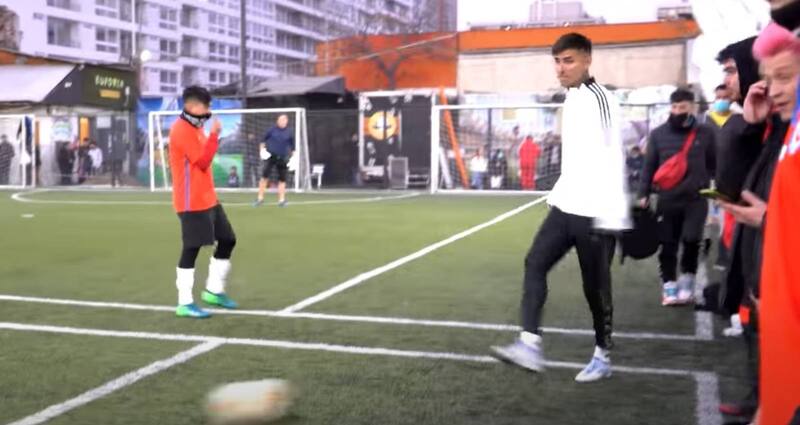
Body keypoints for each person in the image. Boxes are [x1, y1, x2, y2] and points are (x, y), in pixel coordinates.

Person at [491, 33, 629, 383]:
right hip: (566, 204)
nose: (561, 68)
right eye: (557, 61)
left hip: (595, 211)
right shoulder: (571, 98)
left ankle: (602, 355)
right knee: (534, 262)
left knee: (595, 288)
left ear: (587, 60)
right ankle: (529, 344)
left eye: (568, 60)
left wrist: (614, 217)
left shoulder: (602, 99)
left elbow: (614, 156)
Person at [743, 19, 800, 425]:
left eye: (784, 77)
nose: (774, 90)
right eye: (768, 80)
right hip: (782, 336)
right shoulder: (791, 131)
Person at [713, 36, 766, 421]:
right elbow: (729, 186)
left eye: (732, 71)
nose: (727, 81)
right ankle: (760, 397)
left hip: (774, 244)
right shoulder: (747, 122)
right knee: (754, 324)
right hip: (753, 241)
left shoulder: (778, 125)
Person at [637, 88, 716, 306]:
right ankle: (669, 285)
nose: (678, 111)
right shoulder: (658, 134)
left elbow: (714, 163)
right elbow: (649, 166)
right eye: (674, 107)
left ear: (692, 108)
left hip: (696, 199)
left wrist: (707, 183)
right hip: (667, 199)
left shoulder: (706, 133)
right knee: (668, 243)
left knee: (691, 240)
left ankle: (687, 284)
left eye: (683, 107)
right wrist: (643, 193)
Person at [169, 86, 238, 319]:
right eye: (206, 106)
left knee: (228, 239)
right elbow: (202, 161)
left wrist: (211, 135)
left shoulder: (196, 127)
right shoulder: (181, 130)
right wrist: (215, 135)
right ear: (193, 106)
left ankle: (213, 291)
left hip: (208, 198)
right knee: (192, 248)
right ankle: (184, 302)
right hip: (191, 201)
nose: (208, 111)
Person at [254, 114, 294, 207]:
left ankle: (281, 200)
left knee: (282, 179)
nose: (282, 121)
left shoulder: (289, 132)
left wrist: (294, 158)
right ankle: (260, 198)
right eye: (281, 120)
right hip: (271, 157)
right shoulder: (271, 130)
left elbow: (293, 146)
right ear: (277, 121)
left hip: (283, 158)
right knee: (264, 177)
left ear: (286, 121)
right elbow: (262, 141)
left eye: (284, 120)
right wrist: (261, 151)